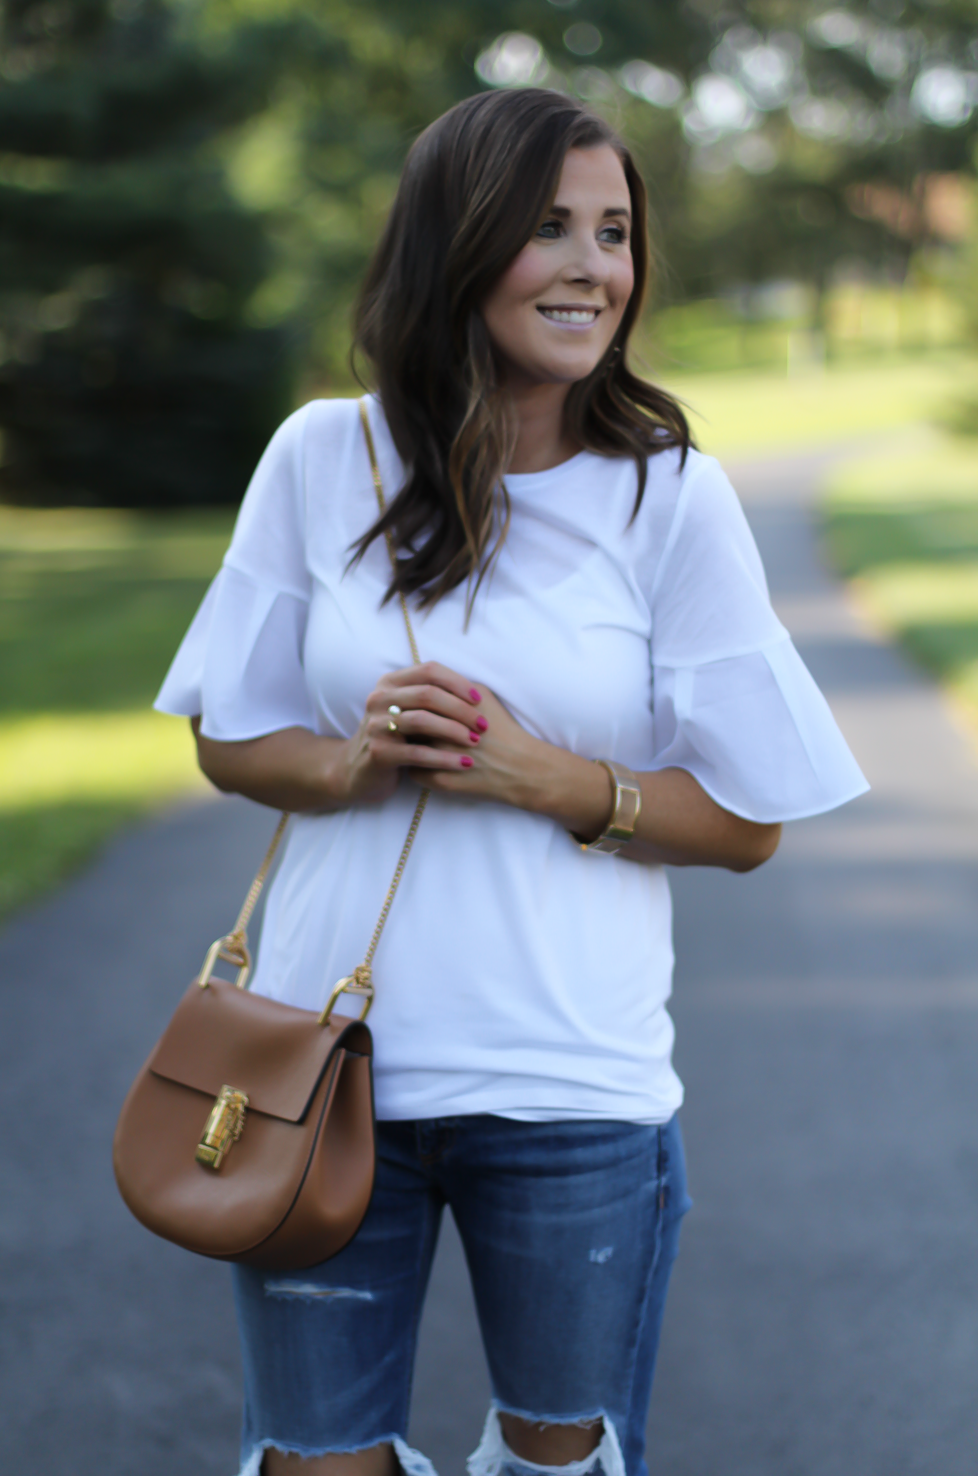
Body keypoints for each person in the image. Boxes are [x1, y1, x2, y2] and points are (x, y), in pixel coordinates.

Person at [156, 88, 868, 1476]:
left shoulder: (669, 495)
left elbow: (747, 825)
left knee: (560, 1463)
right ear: (454, 243)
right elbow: (226, 735)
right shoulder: (320, 458)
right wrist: (353, 761)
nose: (594, 266)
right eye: (548, 229)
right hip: (319, 1071)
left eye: (613, 232)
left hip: (571, 1090)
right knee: (314, 1461)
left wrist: (550, 778)